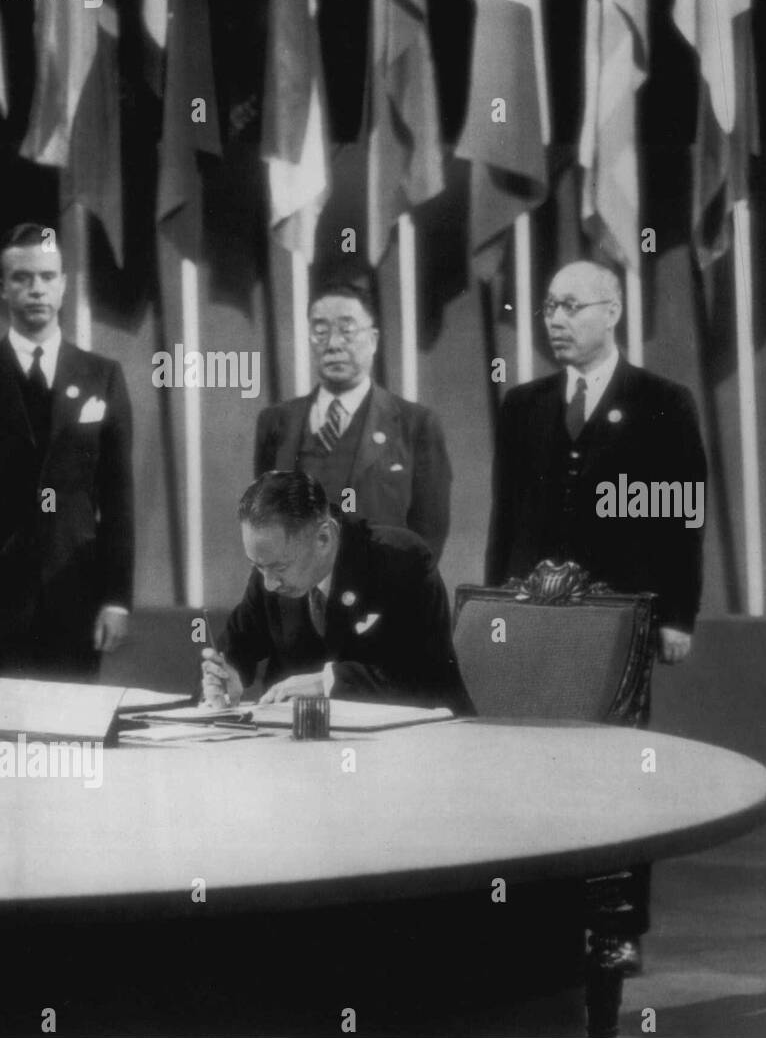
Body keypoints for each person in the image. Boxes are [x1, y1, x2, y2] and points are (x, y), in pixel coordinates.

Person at [485, 259, 708, 974]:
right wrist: (497, 609)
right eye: (548, 305)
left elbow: (683, 516)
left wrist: (679, 615)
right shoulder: (522, 404)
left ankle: (616, 927)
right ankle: (540, 921)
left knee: (614, 777)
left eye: (571, 305)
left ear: (611, 312)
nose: (555, 318)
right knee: (535, 770)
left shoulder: (662, 400)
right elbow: (505, 516)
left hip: (624, 616)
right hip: (537, 619)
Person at [201, 470, 468, 712]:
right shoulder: (268, 570)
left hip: (415, 748)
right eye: (258, 567)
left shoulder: (400, 560)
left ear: (323, 538)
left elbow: (426, 681)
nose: (269, 583)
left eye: (280, 567)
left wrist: (327, 681)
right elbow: (235, 648)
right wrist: (224, 677)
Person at [0, 222, 133, 679]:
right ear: (3, 288)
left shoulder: (103, 376)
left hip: (74, 594)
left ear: (64, 285)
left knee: (70, 733)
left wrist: (116, 598)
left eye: (46, 277)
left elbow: (117, 498)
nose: (35, 289)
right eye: (21, 278)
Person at [254, 281, 452, 562]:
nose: (333, 344)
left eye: (347, 331)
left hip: (384, 594)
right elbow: (264, 525)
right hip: (298, 595)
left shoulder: (416, 425)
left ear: (373, 340)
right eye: (320, 332)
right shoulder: (275, 423)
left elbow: (429, 533)